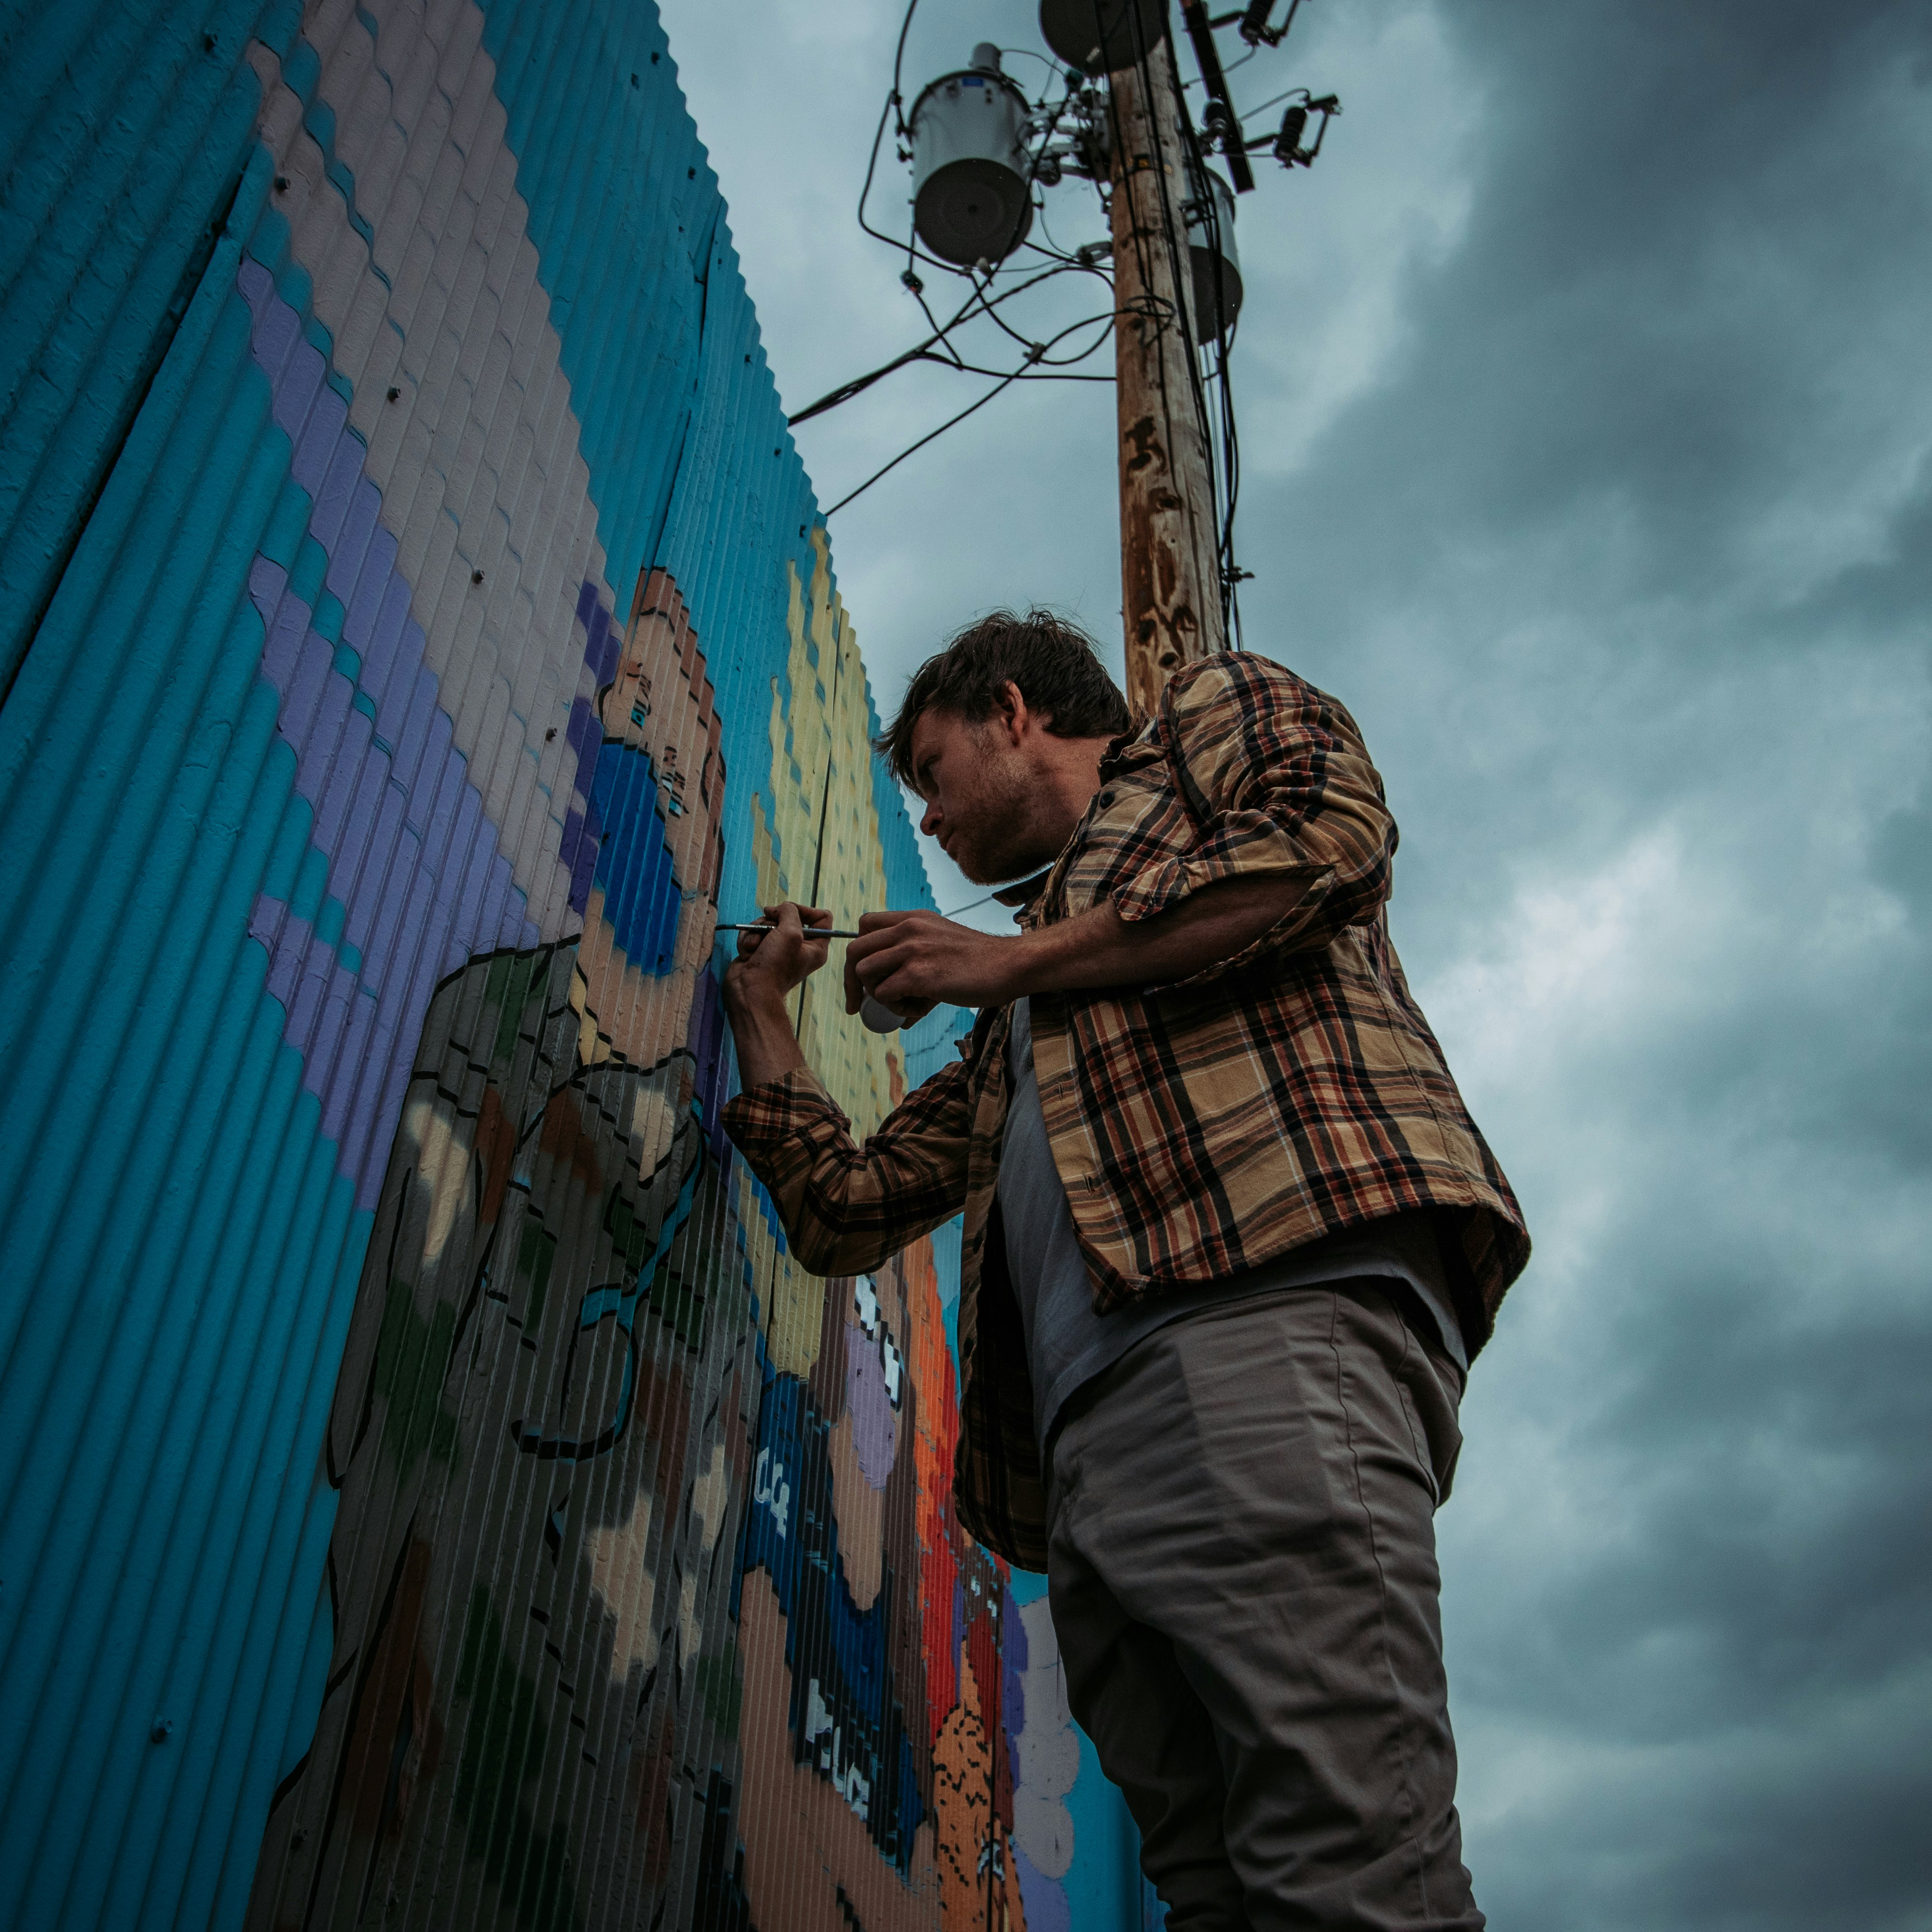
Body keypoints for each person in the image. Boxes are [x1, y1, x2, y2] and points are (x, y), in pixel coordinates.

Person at [721, 610, 1530, 1931]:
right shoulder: (1019, 1021)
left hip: (1261, 1316)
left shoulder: (1206, 721)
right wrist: (764, 1016)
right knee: (1218, 1894)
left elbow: (1325, 843)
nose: (925, 822)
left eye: (931, 771)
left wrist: (1008, 961)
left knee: (1349, 1868)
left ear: (1013, 711)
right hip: (1092, 1448)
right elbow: (844, 1206)